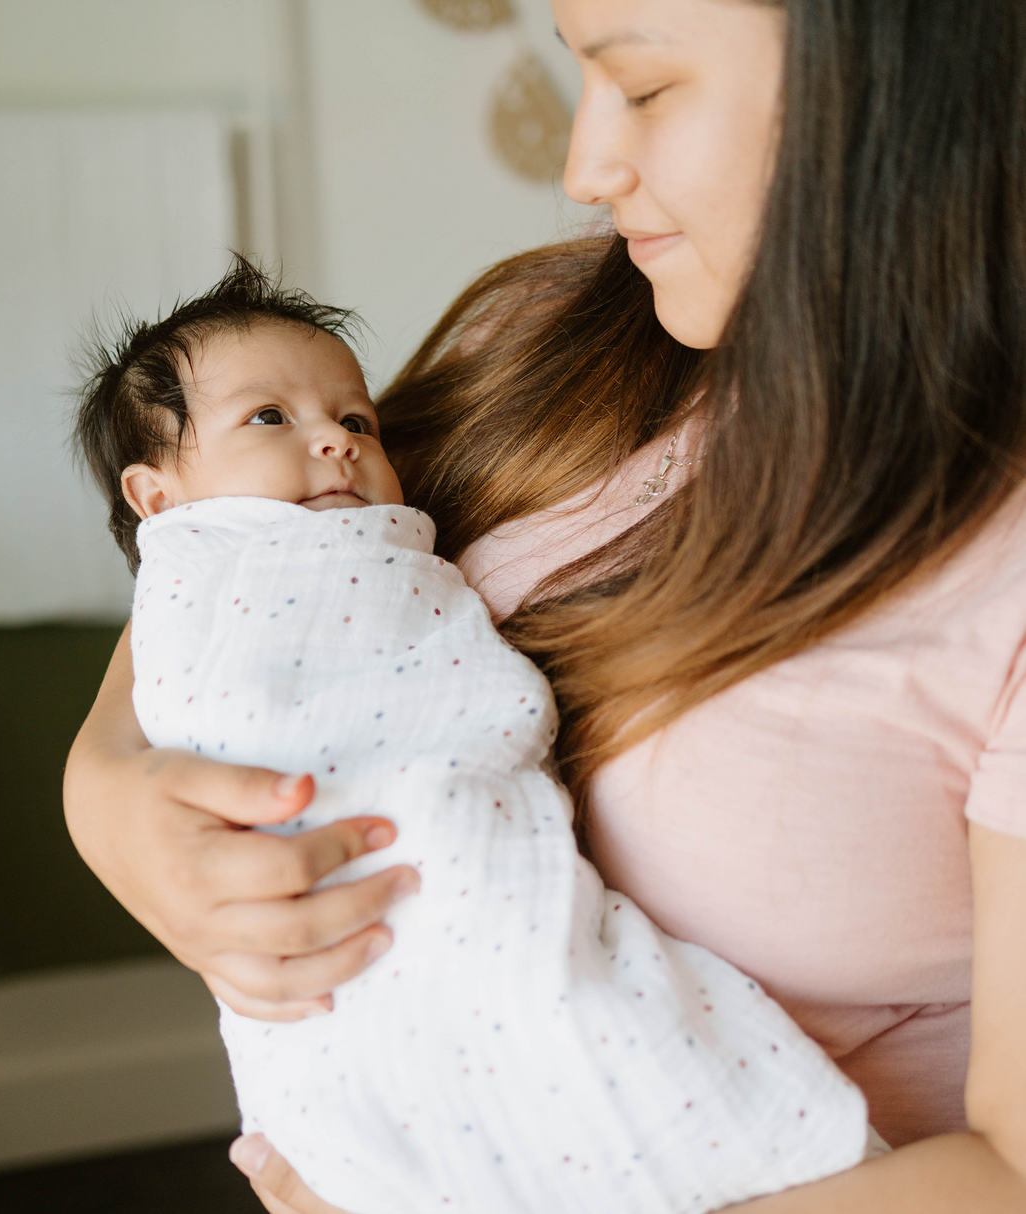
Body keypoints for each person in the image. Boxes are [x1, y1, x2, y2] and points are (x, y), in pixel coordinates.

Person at [63, 0, 1026, 1211]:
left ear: (898, 90)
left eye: (646, 87)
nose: (584, 166)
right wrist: (104, 790)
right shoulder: (545, 339)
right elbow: (255, 554)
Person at [72, 260, 872, 1213]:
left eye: (356, 422)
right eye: (270, 418)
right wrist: (101, 787)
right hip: (334, 886)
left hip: (486, 864)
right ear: (156, 499)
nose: (335, 438)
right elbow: (191, 616)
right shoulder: (540, 338)